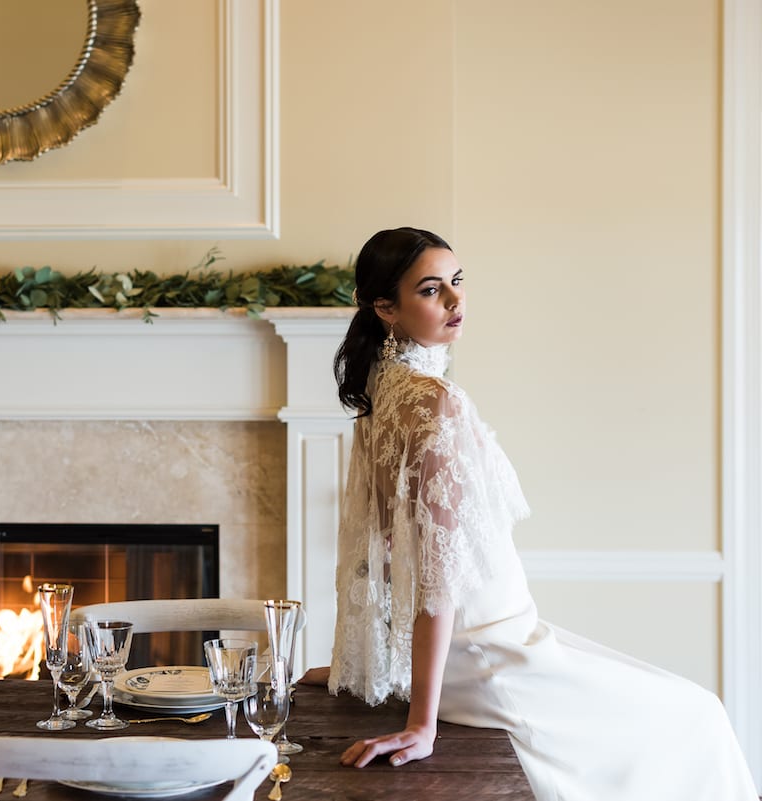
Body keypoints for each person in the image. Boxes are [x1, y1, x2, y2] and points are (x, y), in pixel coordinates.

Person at [300, 227, 757, 800]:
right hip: (492, 654)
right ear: (386, 308)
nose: (455, 301)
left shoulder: (384, 390)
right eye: (431, 289)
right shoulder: (431, 401)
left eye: (458, 283)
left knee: (685, 710)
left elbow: (387, 550)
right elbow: (435, 577)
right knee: (700, 716)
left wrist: (357, 666)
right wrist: (422, 720)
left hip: (501, 636)